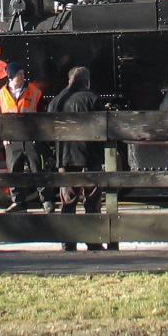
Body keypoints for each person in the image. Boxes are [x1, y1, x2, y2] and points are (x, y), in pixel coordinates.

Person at [46, 66, 108, 251]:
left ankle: (68, 241)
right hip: (89, 156)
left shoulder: (56, 101)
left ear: (69, 80)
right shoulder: (92, 99)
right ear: (87, 82)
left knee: (68, 201)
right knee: (92, 201)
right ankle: (93, 241)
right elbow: (104, 128)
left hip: (65, 157)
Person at [0, 61, 45, 212]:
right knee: (14, 171)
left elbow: (42, 114)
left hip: (30, 137)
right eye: (19, 74)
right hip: (12, 139)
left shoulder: (35, 92)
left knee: (37, 169)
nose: (22, 76)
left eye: (22, 73)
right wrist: (3, 137)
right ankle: (18, 202)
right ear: (11, 76)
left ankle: (46, 200)